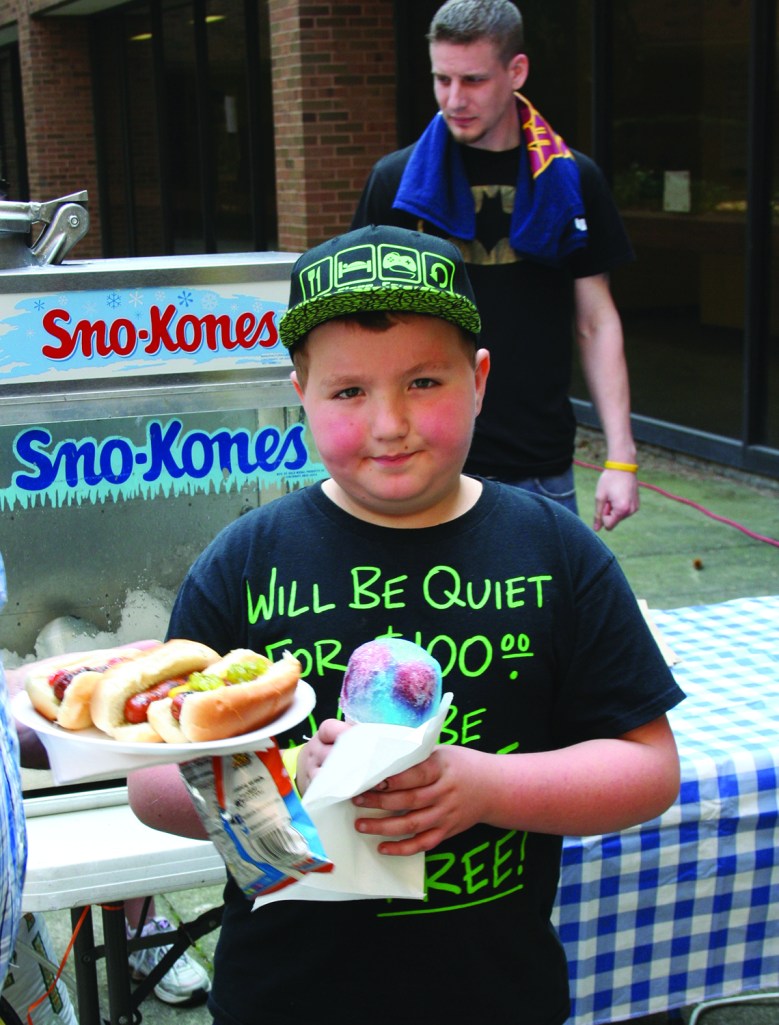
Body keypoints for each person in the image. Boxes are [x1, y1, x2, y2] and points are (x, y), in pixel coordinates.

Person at [127, 224, 684, 1025]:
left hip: (493, 996)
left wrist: (485, 785)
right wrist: (290, 783)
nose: (389, 422)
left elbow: (646, 767)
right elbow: (152, 783)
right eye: (348, 391)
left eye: (424, 381)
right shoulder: (246, 560)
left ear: (479, 378)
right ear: (301, 393)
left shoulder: (556, 551)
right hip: (286, 999)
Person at [352, 0, 639, 532]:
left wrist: (620, 458)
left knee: (548, 616)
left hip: (541, 465)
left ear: (517, 71)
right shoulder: (394, 183)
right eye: (442, 79)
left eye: (474, 80)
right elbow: (361, 331)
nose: (454, 99)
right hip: (422, 459)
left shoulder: (575, 179)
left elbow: (596, 322)